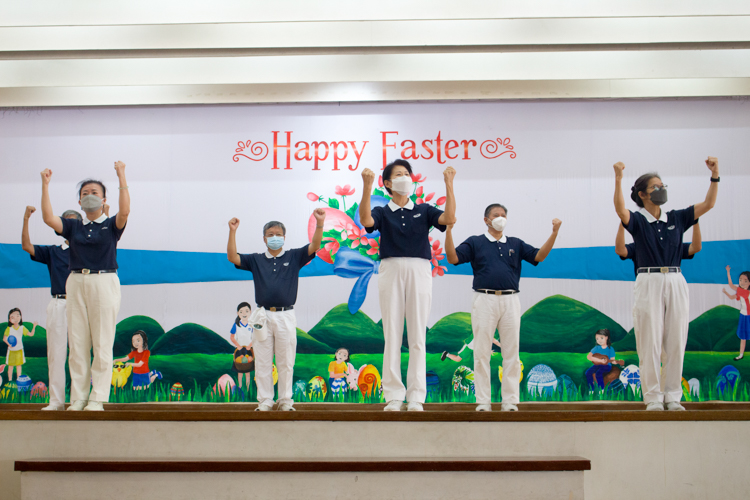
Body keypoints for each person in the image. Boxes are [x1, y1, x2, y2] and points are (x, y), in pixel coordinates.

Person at [613, 157, 719, 411]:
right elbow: (620, 209)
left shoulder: (678, 217)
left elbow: (709, 203)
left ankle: (672, 395)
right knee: (649, 341)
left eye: (662, 185)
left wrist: (715, 175)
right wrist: (618, 178)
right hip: (648, 279)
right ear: (642, 194)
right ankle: (652, 397)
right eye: (655, 187)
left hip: (675, 278)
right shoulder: (638, 221)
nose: (661, 190)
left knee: (676, 339)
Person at [359, 161, 456, 411]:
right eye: (399, 175)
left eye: (407, 174)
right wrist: (367, 187)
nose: (405, 178)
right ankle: (393, 394)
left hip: (419, 268)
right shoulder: (383, 211)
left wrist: (449, 184)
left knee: (417, 335)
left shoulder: (423, 209)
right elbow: (366, 220)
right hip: (390, 268)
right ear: (388, 184)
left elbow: (449, 218)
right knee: (391, 333)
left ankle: (416, 396)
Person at [445, 203, 561, 411]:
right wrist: (449, 230)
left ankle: (510, 401)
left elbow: (539, 256)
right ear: (486, 220)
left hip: (510, 300)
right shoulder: (475, 242)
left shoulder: (515, 243)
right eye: (496, 215)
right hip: (484, 299)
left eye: (504, 215)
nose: (501, 218)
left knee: (511, 352)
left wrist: (554, 233)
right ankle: (483, 401)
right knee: (481, 352)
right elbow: (453, 258)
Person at [40, 162, 130, 411]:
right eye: (84, 193)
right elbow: (48, 218)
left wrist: (121, 175)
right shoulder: (73, 226)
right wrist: (45, 185)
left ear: (103, 200)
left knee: (102, 342)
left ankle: (97, 398)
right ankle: (78, 397)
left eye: (94, 193)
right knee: (78, 342)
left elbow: (125, 211)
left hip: (104, 280)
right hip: (76, 281)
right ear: (79, 202)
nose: (89, 196)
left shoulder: (111, 225)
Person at [227, 209, 326, 411]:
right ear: (264, 238)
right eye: (270, 235)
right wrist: (232, 231)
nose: (275, 238)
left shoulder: (294, 256)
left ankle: (285, 401)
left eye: (278, 235)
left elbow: (315, 245)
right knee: (262, 361)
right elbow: (232, 257)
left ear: (284, 237)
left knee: (286, 361)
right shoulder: (255, 260)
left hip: (286, 316)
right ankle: (265, 400)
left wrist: (320, 223)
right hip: (262, 316)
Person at [21, 205, 82, 410]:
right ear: (60, 227)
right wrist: (26, 219)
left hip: (81, 305)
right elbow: (27, 246)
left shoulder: (89, 252)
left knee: (79, 353)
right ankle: (56, 401)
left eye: (75, 223)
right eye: (67, 223)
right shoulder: (54, 252)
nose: (71, 227)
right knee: (56, 353)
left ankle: (77, 401)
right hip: (58, 303)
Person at [615, 220, 702, 273]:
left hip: (671, 284)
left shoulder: (671, 245)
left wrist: (695, 222)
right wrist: (623, 224)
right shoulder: (638, 246)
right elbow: (621, 251)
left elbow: (695, 247)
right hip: (648, 285)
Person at [723, 266, 750, 361]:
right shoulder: (740, 291)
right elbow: (731, 294)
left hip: (748, 316)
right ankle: (741, 354)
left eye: (745, 280)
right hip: (743, 315)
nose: (742, 282)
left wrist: (728, 272)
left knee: (745, 335)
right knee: (743, 336)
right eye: (740, 280)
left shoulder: (744, 292)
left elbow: (731, 286)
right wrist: (728, 272)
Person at [3, 308, 37, 382]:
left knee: (19, 367)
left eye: (17, 315)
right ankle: (9, 381)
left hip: (19, 350)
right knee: (10, 367)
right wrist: (9, 344)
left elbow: (31, 334)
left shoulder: (22, 328)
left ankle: (18, 381)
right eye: (12, 317)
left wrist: (34, 326)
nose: (15, 318)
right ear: (9, 319)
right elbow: (4, 339)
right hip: (11, 351)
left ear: (20, 317)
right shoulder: (9, 329)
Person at [230, 302, 255, 391]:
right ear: (238, 313)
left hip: (248, 349)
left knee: (247, 371)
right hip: (239, 349)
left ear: (250, 312)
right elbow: (232, 337)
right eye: (241, 312)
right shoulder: (236, 325)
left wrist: (249, 346)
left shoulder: (251, 324)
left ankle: (248, 389)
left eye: (246, 311)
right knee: (239, 371)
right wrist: (238, 346)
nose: (244, 314)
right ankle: (240, 388)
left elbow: (255, 337)